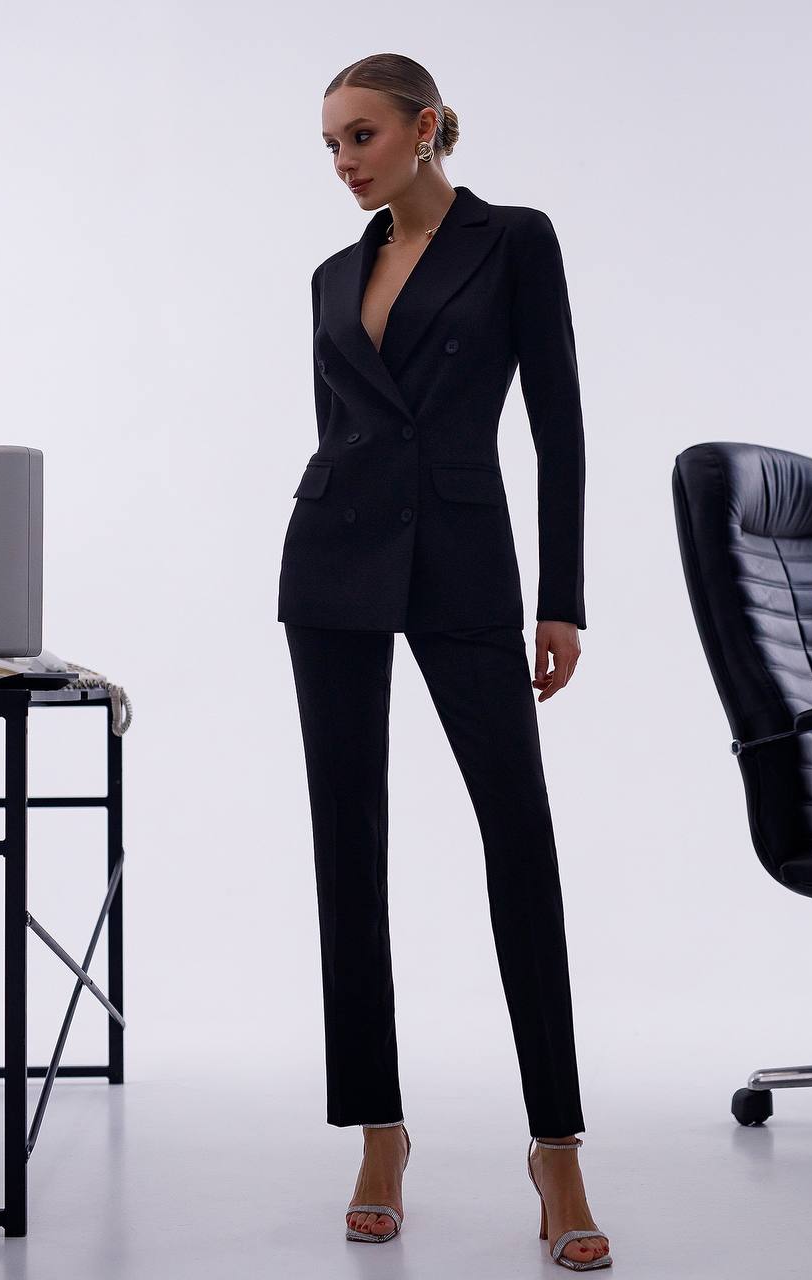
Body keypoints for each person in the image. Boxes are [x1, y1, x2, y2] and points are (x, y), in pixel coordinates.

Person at [277, 52, 612, 1272]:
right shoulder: (330, 273)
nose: (342, 160)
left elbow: (561, 421)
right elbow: (337, 430)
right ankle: (378, 1129)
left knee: (517, 839)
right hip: (330, 570)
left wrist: (561, 596)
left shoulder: (515, 240)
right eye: (329, 143)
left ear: (425, 130)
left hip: (467, 566)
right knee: (346, 846)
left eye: (360, 135)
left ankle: (557, 1145)